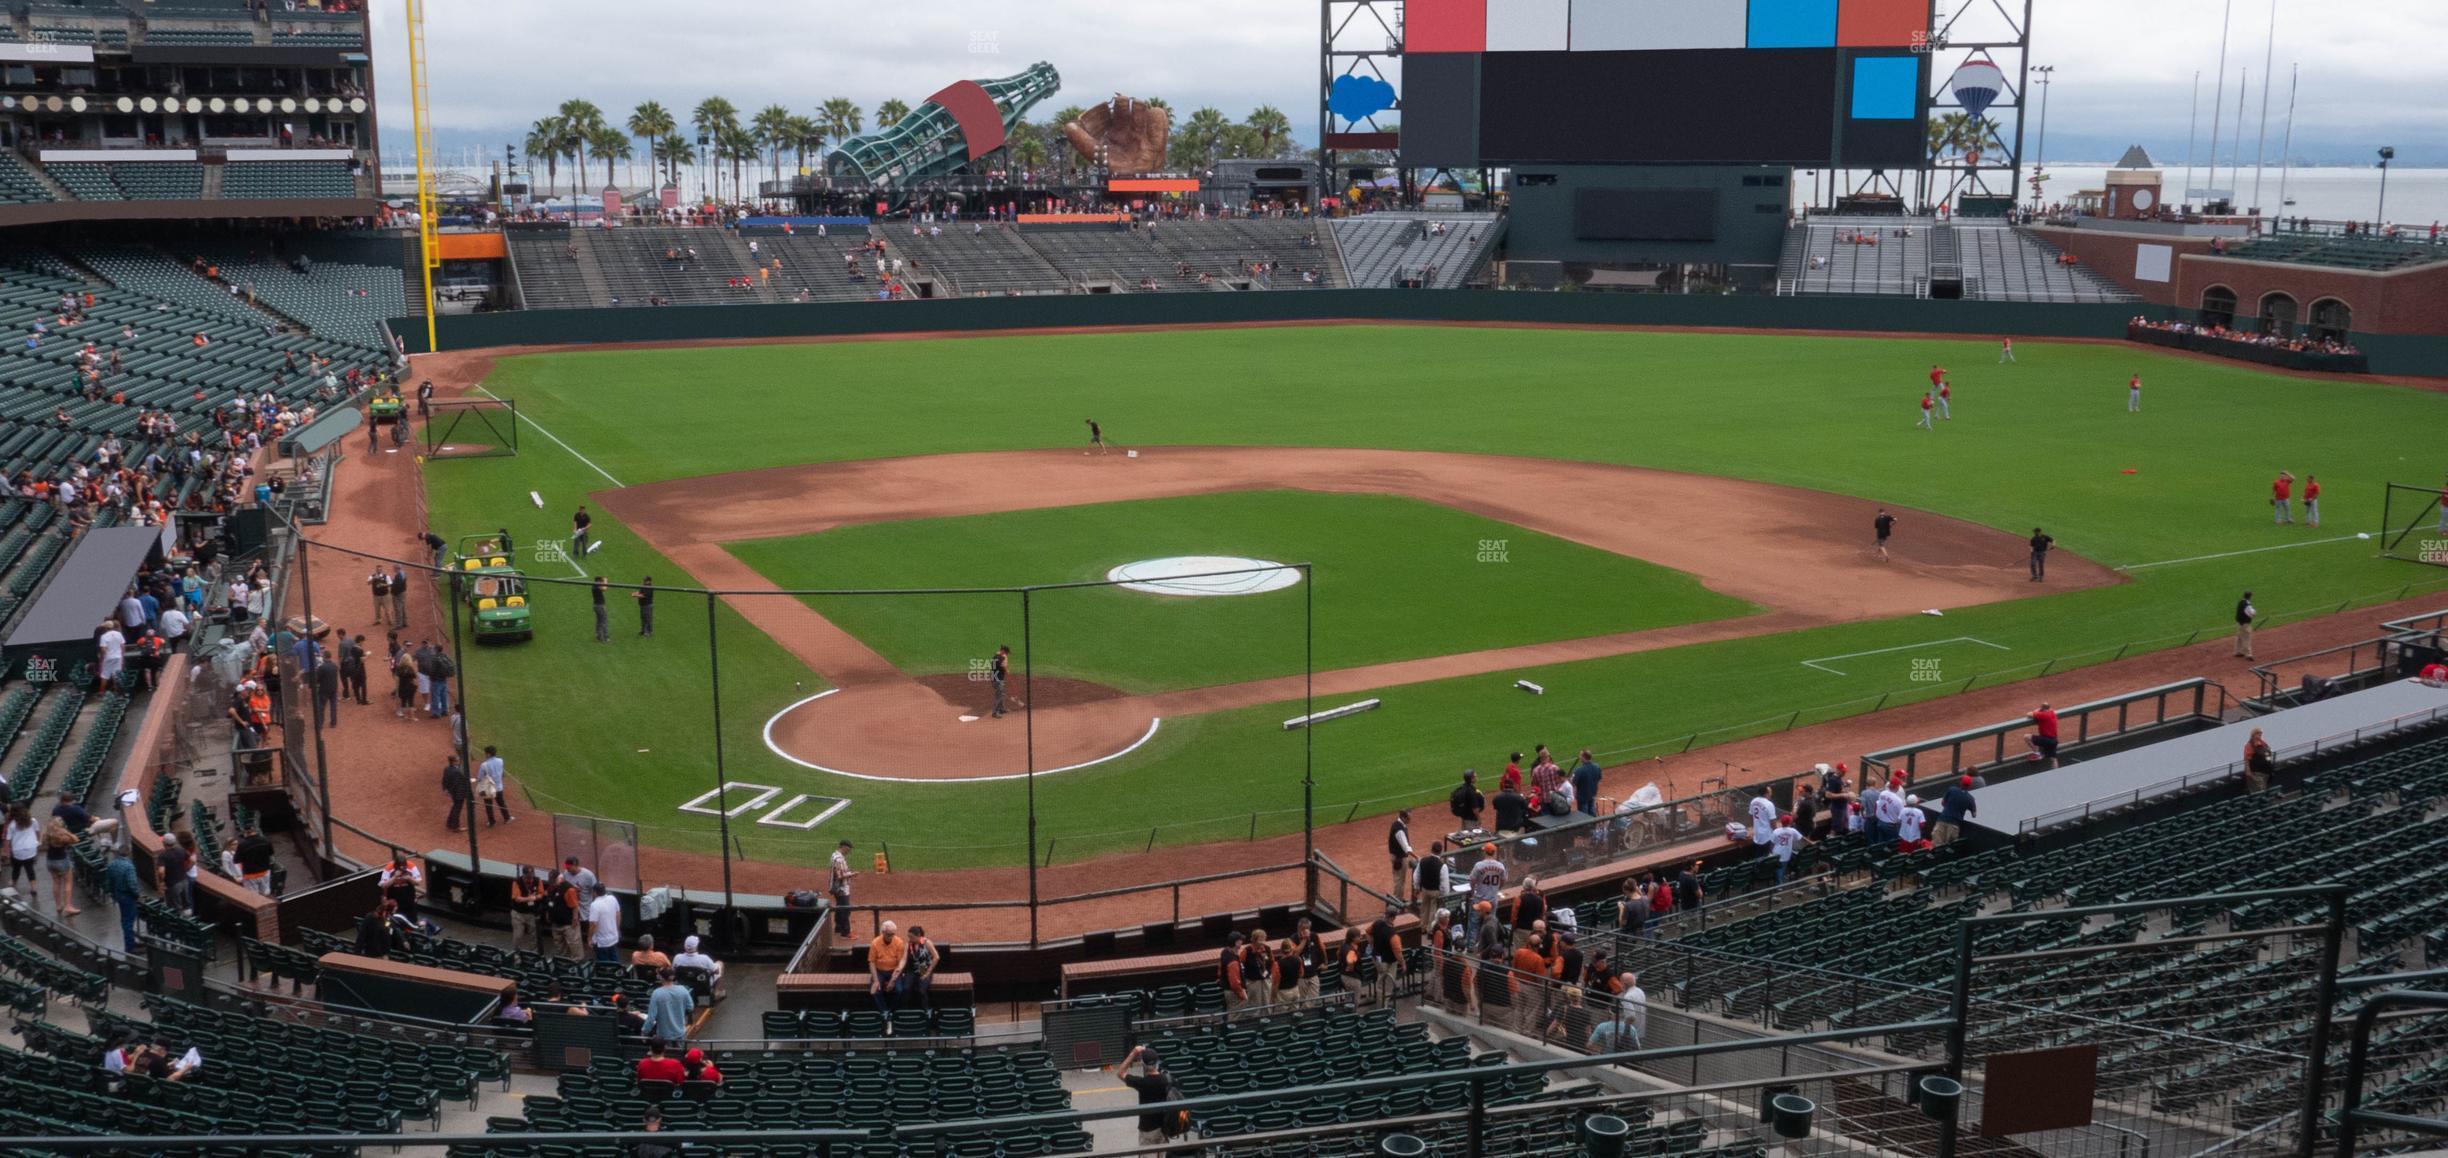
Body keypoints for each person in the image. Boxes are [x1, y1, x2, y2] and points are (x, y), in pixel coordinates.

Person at [1118, 1044, 1178, 1149]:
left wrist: (1133, 1053)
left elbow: (1120, 1073)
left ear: (1143, 1064)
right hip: (1164, 1127)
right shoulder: (1167, 1079)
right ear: (1157, 1062)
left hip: (1147, 1128)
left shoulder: (1142, 1083)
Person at [104, 844, 141, 951]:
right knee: (128, 921)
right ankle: (130, 946)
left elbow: (109, 882)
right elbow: (132, 884)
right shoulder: (129, 867)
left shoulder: (112, 865)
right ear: (129, 853)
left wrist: (113, 894)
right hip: (128, 896)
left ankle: (131, 942)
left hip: (119, 895)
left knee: (125, 919)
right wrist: (137, 895)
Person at [869, 920, 908, 1018]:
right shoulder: (875, 943)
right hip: (879, 971)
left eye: (893, 934)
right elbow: (872, 962)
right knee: (875, 990)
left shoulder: (899, 942)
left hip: (894, 971)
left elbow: (900, 964)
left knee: (900, 990)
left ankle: (893, 1011)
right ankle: (884, 1012)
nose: (891, 936)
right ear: (883, 933)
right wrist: (876, 980)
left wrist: (893, 980)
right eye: (889, 934)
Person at [40, 816, 79, 914]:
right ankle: (68, 906)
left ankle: (58, 905)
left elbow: (41, 843)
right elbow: (75, 840)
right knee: (68, 883)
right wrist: (67, 832)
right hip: (62, 860)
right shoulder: (62, 837)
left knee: (56, 883)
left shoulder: (47, 835)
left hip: (50, 861)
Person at [646, 967, 691, 1046]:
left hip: (664, 1035)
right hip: (680, 1032)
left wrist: (644, 1031)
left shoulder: (656, 993)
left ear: (661, 977)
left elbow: (651, 1017)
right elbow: (690, 1007)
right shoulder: (683, 990)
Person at [509, 865, 543, 954]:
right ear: (524, 875)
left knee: (533, 935)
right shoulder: (517, 882)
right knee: (518, 935)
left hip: (531, 914)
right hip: (518, 914)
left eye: (532, 876)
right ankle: (517, 955)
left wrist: (535, 897)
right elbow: (517, 898)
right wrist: (529, 898)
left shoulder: (537, 880)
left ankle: (533, 954)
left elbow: (541, 894)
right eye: (529, 877)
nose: (531, 879)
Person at [233, 823, 274, 896]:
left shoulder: (242, 845)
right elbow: (271, 853)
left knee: (253, 895)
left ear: (245, 833)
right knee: (265, 893)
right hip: (264, 871)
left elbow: (236, 860)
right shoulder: (265, 840)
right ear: (255, 830)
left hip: (250, 875)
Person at [1936, 776, 1978, 846]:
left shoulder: (1952, 790)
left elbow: (1943, 803)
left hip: (1942, 820)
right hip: (1954, 825)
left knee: (1936, 847)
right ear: (1969, 786)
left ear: (1961, 782)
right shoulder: (1970, 798)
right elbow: (1974, 815)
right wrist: (1965, 806)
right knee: (1948, 848)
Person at [828, 840, 857, 936]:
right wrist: (852, 874)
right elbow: (840, 875)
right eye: (849, 848)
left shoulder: (835, 855)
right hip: (841, 888)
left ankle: (838, 928)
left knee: (840, 907)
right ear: (844, 847)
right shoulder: (838, 859)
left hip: (837, 886)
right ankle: (846, 932)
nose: (849, 851)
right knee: (845, 909)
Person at [586, 888, 622, 963]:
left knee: (603, 964)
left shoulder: (594, 905)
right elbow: (618, 915)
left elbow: (593, 924)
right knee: (615, 961)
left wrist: (589, 938)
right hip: (613, 938)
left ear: (594, 892)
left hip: (601, 941)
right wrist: (617, 929)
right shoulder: (613, 898)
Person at [440, 755, 472, 832]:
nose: (459, 761)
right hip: (458, 793)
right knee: (457, 809)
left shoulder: (447, 769)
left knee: (455, 807)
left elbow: (444, 780)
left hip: (453, 792)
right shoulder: (456, 772)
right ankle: (455, 827)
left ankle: (449, 823)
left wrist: (446, 789)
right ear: (454, 762)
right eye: (457, 760)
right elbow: (460, 782)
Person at [2025, 702, 2062, 767]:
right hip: (2054, 740)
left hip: (2046, 739)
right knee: (2053, 759)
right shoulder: (2052, 712)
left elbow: (2029, 714)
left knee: (2027, 737)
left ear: (2042, 709)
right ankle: (2057, 772)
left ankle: (2037, 753)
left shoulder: (2043, 715)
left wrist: (2038, 710)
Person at [1387, 809, 1413, 902]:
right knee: (1399, 879)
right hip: (1399, 858)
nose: (1410, 820)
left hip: (1398, 856)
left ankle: (1399, 898)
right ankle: (1397, 901)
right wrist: (1416, 856)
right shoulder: (1399, 830)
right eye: (1408, 818)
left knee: (1401, 879)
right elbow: (1406, 847)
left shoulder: (1399, 825)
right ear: (1403, 817)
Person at [1569, 750, 1602, 817]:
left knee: (1583, 816)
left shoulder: (1579, 770)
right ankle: (1593, 826)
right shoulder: (1597, 767)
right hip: (1592, 794)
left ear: (1584, 757)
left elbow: (1573, 782)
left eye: (1580, 755)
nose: (1579, 757)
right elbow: (1599, 779)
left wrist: (1570, 779)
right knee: (1592, 812)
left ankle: (1586, 827)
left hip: (1582, 797)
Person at [2244, 727, 2277, 791]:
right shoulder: (2249, 745)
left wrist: (2269, 763)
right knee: (2258, 789)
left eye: (2261, 733)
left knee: (2263, 788)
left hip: (2265, 771)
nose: (2260, 735)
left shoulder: (2263, 743)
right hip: (2256, 771)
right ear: (2253, 735)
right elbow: (2247, 759)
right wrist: (2248, 771)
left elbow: (2269, 752)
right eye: (2258, 733)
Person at [2234, 590, 2258, 660]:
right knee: (2247, 638)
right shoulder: (2247, 604)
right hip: (2245, 624)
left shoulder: (2240, 602)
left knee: (2239, 637)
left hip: (2239, 623)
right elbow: (2252, 613)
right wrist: (2254, 612)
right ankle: (2248, 655)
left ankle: (2238, 651)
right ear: (2250, 597)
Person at [990, 644, 1010, 719]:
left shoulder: (995, 657)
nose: (1006, 654)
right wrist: (1007, 670)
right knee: (999, 696)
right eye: (1006, 652)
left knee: (1001, 694)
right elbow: (1003, 666)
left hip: (994, 679)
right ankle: (995, 712)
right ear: (1003, 651)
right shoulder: (1001, 658)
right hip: (998, 680)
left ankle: (1001, 709)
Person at [591, 576, 610, 643]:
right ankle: (606, 637)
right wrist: (606, 581)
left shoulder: (594, 586)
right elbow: (605, 588)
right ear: (598, 581)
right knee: (604, 621)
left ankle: (598, 636)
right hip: (600, 606)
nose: (602, 582)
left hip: (596, 606)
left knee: (599, 621)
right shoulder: (596, 587)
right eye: (601, 581)